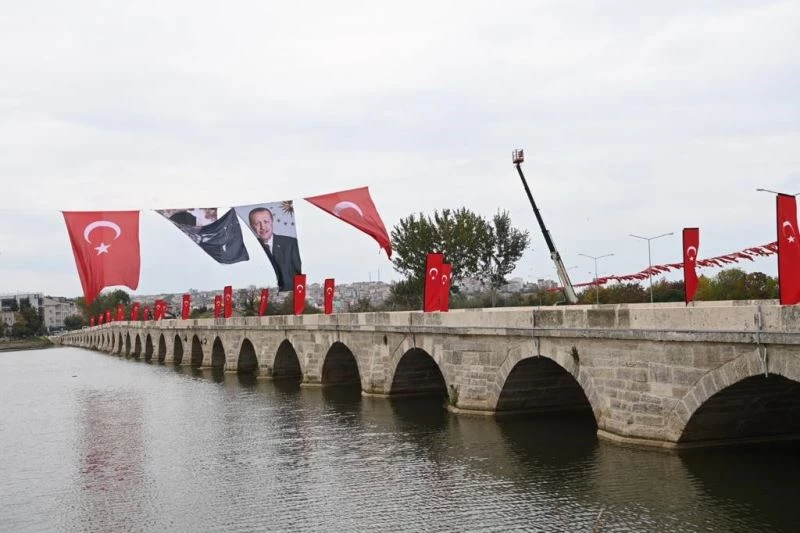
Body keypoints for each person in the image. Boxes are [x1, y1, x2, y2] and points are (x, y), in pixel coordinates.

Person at [248, 207, 302, 291]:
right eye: (257, 223)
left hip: (291, 292)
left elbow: (298, 270)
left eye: (266, 222)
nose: (262, 227)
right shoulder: (250, 248)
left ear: (272, 222)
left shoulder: (291, 244)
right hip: (263, 293)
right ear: (251, 226)